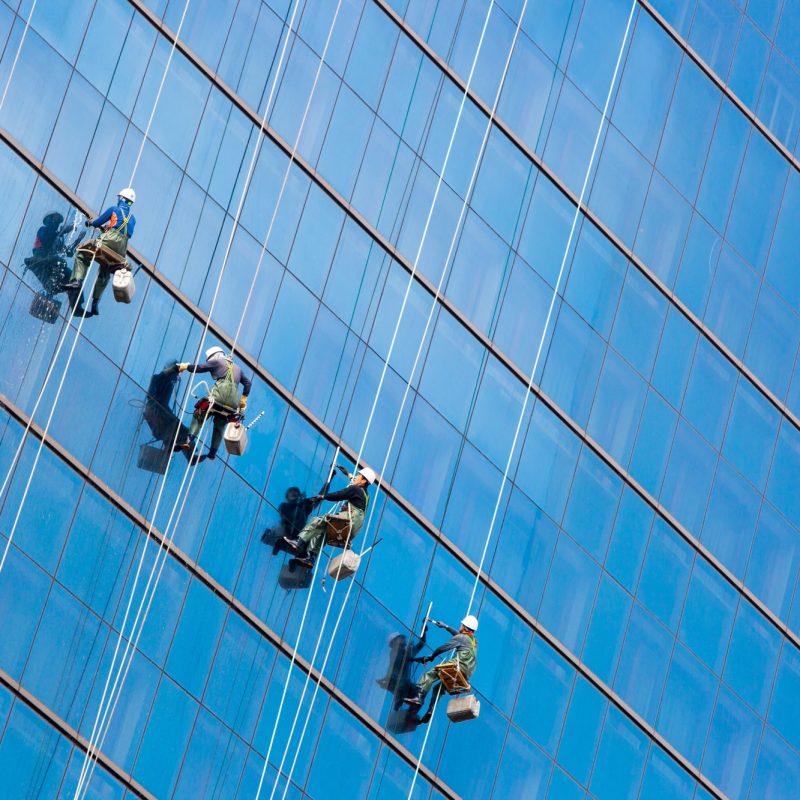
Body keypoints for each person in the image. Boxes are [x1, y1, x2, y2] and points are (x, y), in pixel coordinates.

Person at [278, 466, 376, 568]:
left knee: (318, 521)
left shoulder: (355, 489)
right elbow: (354, 480)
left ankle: (299, 541)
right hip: (354, 527)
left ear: (363, 481)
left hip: (350, 520)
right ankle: (311, 557)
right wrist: (347, 473)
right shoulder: (365, 494)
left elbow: (339, 494)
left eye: (358, 476)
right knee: (322, 531)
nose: (355, 477)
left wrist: (323, 496)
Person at [63, 187, 136, 317]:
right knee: (106, 268)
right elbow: (124, 232)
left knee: (82, 254)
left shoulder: (114, 209)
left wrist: (90, 222)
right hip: (121, 249)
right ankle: (96, 301)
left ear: (122, 199)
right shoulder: (133, 219)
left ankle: (77, 281)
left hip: (108, 240)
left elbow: (97, 223)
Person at [175, 345, 252, 463]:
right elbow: (248, 383)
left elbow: (200, 368)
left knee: (199, 415)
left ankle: (189, 440)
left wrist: (185, 366)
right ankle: (212, 452)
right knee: (220, 425)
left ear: (215, 355)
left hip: (218, 396)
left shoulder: (217, 361)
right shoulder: (238, 368)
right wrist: (243, 399)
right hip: (232, 404)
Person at [403, 615, 478, 710]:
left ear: (465, 628)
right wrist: (446, 627)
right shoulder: (474, 641)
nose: (460, 626)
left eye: (462, 625)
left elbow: (443, 648)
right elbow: (460, 635)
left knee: (429, 674)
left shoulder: (462, 638)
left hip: (458, 665)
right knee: (439, 688)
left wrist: (431, 657)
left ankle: (419, 697)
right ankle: (431, 710)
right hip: (466, 672)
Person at [24, 211, 70, 294]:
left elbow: (68, 252)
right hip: (40, 257)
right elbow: (46, 238)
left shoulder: (58, 238)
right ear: (49, 219)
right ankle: (51, 285)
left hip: (49, 262)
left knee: (69, 274)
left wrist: (78, 240)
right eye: (55, 220)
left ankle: (55, 287)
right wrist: (61, 232)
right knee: (60, 262)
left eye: (58, 222)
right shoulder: (43, 229)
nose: (57, 223)